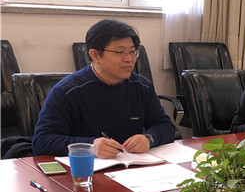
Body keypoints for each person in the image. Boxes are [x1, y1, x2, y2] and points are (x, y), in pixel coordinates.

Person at [32, 19, 175, 158]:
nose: (129, 59)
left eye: (132, 52)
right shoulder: (67, 91)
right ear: (95, 55)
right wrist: (90, 146)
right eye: (120, 52)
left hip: (133, 165)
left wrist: (148, 138)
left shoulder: (142, 86)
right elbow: (41, 141)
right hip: (87, 169)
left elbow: (166, 126)